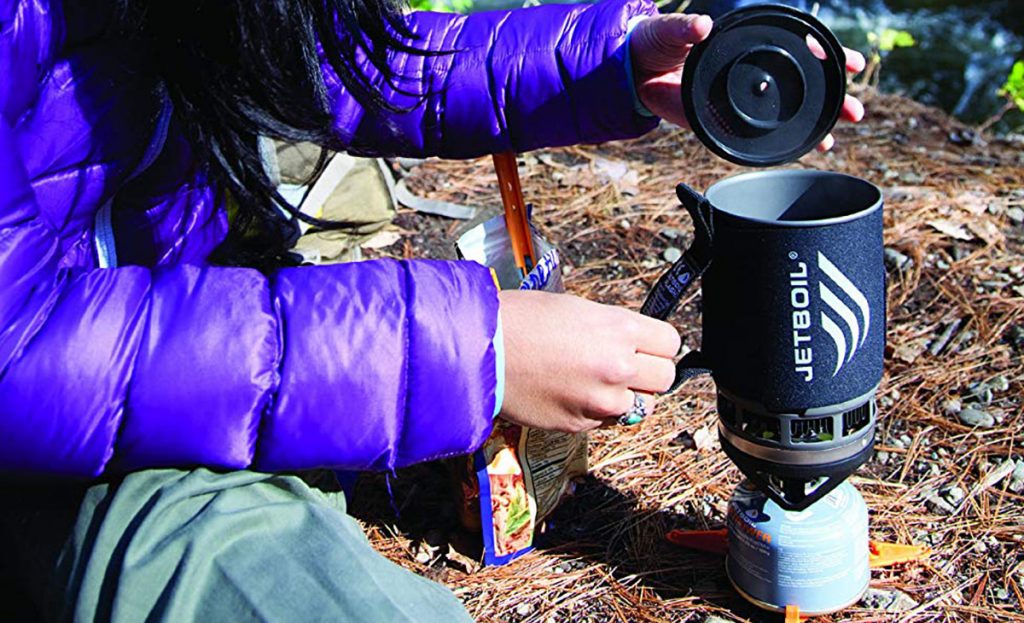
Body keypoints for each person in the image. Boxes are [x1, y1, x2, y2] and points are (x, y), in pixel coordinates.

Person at [0, 0, 864, 620]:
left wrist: (617, 65)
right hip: (55, 454)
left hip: (183, 346)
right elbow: (19, 354)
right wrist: (469, 350)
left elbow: (350, 65)